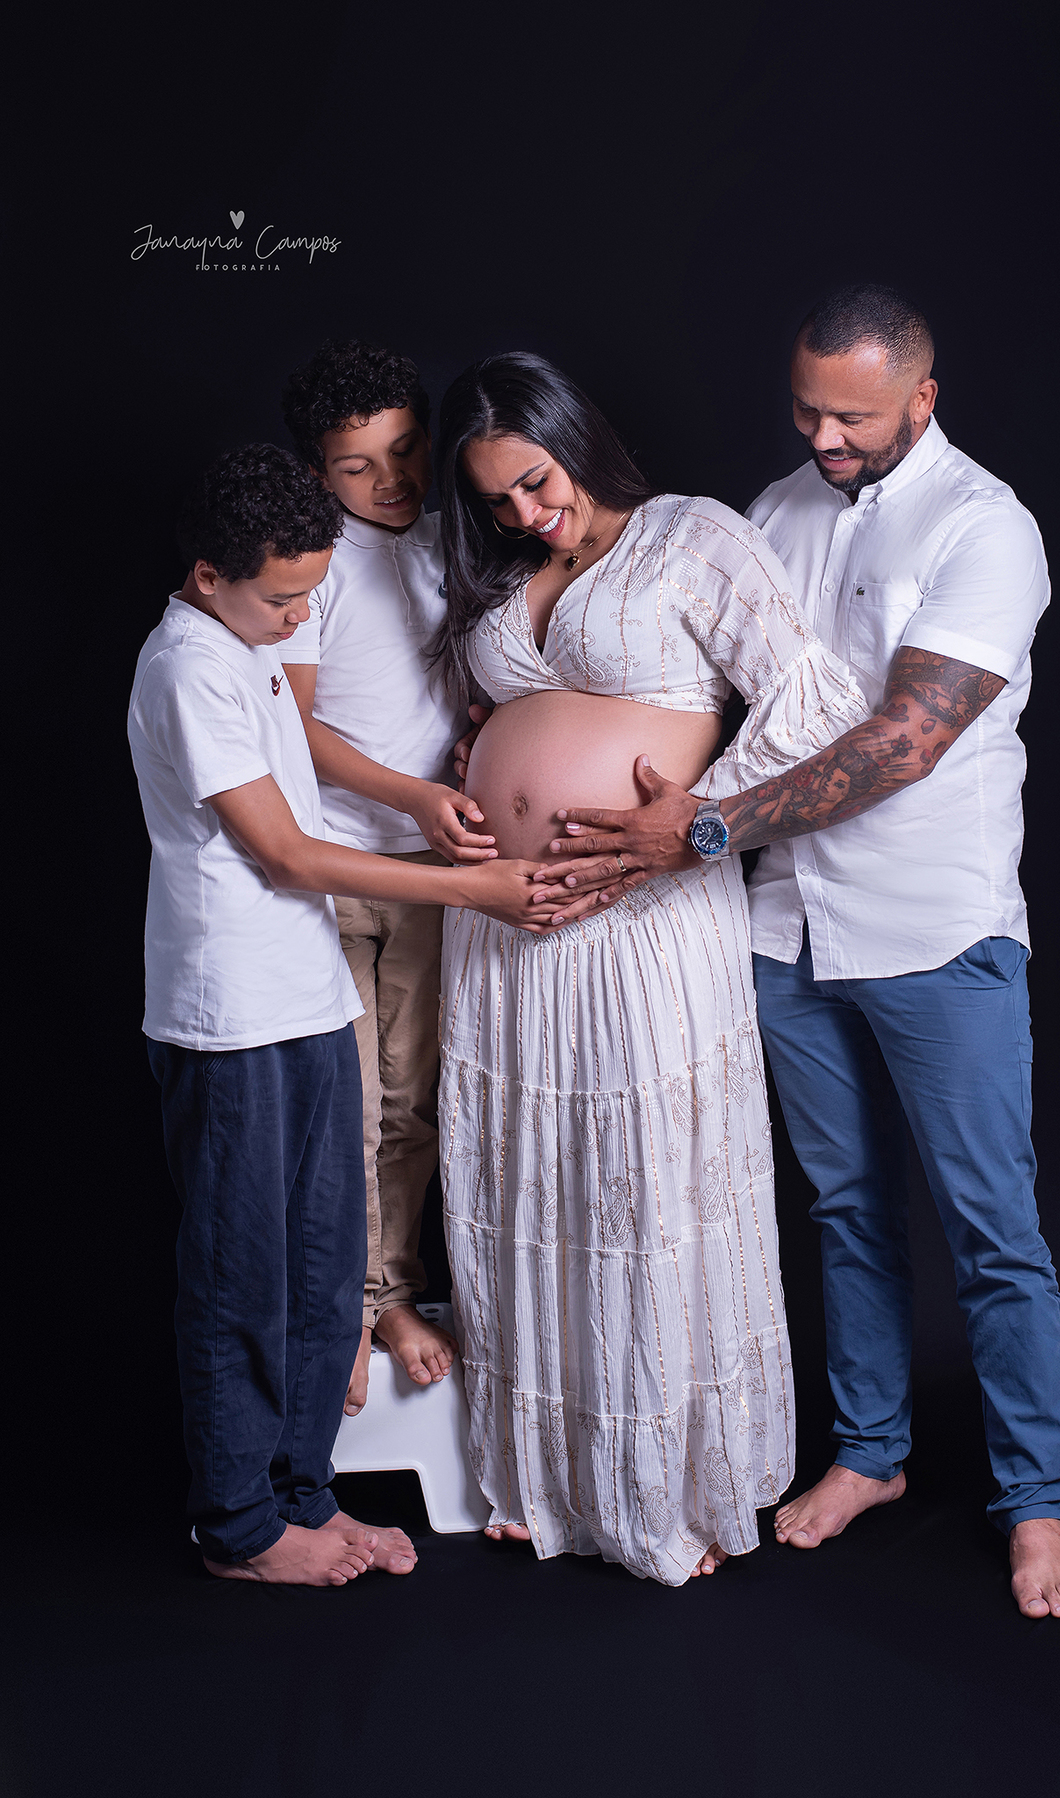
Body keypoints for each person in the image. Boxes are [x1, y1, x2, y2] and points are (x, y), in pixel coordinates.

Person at [537, 286, 1060, 1621]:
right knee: (844, 1209)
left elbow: (908, 738)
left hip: (933, 927)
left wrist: (705, 826)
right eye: (806, 410)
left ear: (923, 399)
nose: (825, 436)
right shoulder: (773, 514)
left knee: (992, 1231)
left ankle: (1037, 1502)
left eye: (854, 416)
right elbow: (710, 688)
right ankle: (872, 1453)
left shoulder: (987, 527)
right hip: (785, 925)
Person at [433, 352, 870, 1586]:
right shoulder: (499, 571)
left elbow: (813, 701)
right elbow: (486, 719)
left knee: (646, 1186)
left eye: (535, 480)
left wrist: (701, 818)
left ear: (575, 436)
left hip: (645, 919)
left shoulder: (691, 536)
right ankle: (550, 1476)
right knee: (529, 1180)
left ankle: (674, 1484)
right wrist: (472, 772)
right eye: (496, 499)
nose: (525, 513)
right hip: (506, 929)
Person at [129, 444, 564, 1586]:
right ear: (207, 575)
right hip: (230, 1015)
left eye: (309, 595)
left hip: (309, 993)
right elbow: (284, 852)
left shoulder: (251, 641)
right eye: (281, 599)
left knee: (325, 1264)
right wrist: (474, 887)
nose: (298, 620)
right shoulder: (188, 668)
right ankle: (239, 1527)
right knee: (244, 1271)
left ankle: (304, 1494)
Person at [281, 340, 493, 1414]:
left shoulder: (458, 537)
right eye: (357, 465)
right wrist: (409, 794)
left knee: (413, 1102)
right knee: (347, 1107)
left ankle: (392, 1294)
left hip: (429, 874)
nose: (390, 480)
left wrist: (477, 743)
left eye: (405, 450)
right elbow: (294, 724)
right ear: (319, 473)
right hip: (327, 866)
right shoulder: (312, 560)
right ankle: (346, 1309)